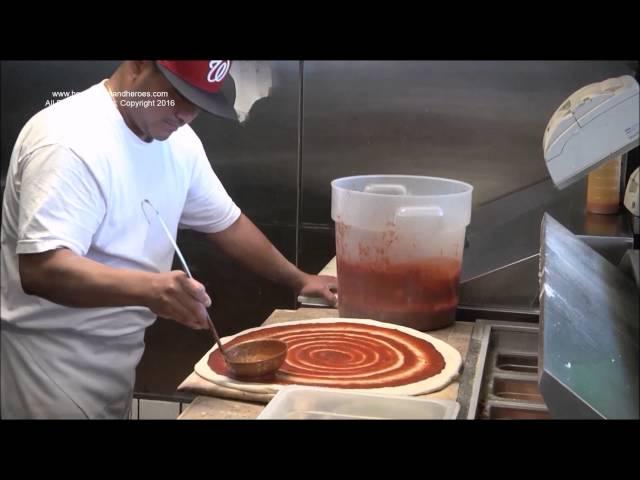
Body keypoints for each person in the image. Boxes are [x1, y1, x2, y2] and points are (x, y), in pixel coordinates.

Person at [0, 60, 338, 419]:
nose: (187, 114)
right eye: (177, 94)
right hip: (45, 371)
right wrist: (151, 289)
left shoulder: (177, 143)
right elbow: (43, 269)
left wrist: (299, 279)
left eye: (200, 101)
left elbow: (227, 223)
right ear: (138, 67)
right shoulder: (68, 139)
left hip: (118, 361)